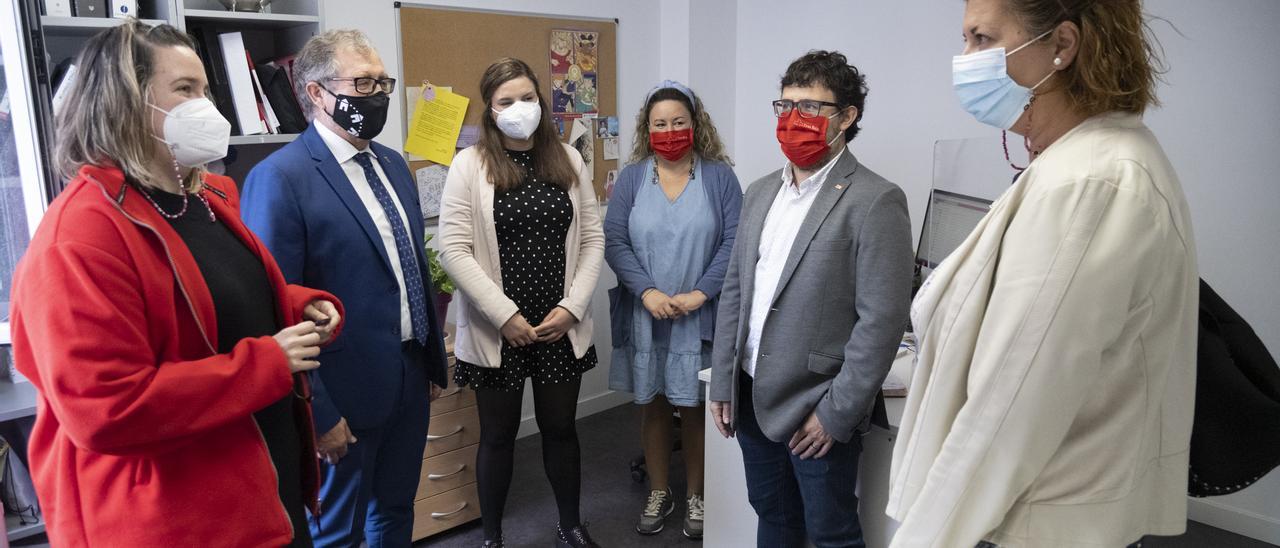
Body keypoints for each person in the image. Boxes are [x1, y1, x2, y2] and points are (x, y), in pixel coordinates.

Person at [9, 21, 343, 547]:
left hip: (260, 490)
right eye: (185, 90)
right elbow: (107, 411)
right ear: (123, 103)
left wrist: (301, 307)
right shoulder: (79, 238)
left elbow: (215, 302)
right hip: (177, 520)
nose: (206, 106)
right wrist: (265, 364)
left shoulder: (203, 197)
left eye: (205, 89)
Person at [886, 1, 1198, 547]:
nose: (965, 59)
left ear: (1062, 45)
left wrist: (924, 538)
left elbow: (1010, 401)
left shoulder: (1088, 182)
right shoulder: (1090, 161)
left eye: (981, 38)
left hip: (1031, 520)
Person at [240, 29, 449, 547]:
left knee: (396, 512)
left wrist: (427, 358)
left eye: (383, 82)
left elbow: (409, 266)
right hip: (342, 393)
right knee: (338, 532)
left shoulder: (393, 164)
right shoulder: (281, 178)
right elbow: (276, 309)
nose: (377, 95)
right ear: (315, 92)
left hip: (408, 374)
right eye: (363, 83)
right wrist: (318, 413)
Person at [708, 50, 914, 548]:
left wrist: (837, 413)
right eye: (786, 106)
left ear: (847, 117)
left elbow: (881, 321)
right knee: (773, 518)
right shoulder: (759, 192)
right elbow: (736, 288)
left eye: (812, 109)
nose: (794, 120)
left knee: (831, 533)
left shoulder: (876, 200)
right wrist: (721, 380)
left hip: (816, 405)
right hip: (751, 395)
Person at [438, 57, 604, 548]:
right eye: (506, 101)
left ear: (541, 102)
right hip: (498, 331)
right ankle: (492, 536)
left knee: (560, 430)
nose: (519, 108)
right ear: (490, 110)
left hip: (559, 323)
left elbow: (592, 238)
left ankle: (570, 524)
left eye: (527, 98)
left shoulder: (568, 159)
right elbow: (453, 249)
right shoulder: (469, 165)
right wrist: (504, 315)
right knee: (497, 436)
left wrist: (573, 306)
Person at [605, 79, 741, 540]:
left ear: (695, 124)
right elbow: (616, 241)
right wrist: (646, 292)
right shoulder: (631, 178)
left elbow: (734, 242)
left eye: (678, 122)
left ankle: (700, 494)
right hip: (647, 313)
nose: (669, 131)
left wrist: (701, 293)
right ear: (648, 129)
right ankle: (660, 491)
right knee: (654, 405)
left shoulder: (720, 177)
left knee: (699, 406)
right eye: (660, 123)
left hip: (700, 314)